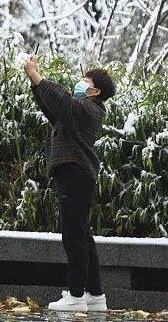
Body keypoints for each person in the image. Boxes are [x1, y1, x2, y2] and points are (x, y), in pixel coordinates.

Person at [23, 55, 115, 312]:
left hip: (75, 174)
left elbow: (63, 100)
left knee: (73, 236)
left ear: (95, 90)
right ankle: (95, 295)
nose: (80, 83)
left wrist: (37, 77)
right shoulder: (79, 112)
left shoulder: (90, 109)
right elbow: (55, 109)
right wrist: (36, 85)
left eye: (86, 80)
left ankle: (76, 295)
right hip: (77, 176)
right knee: (83, 234)